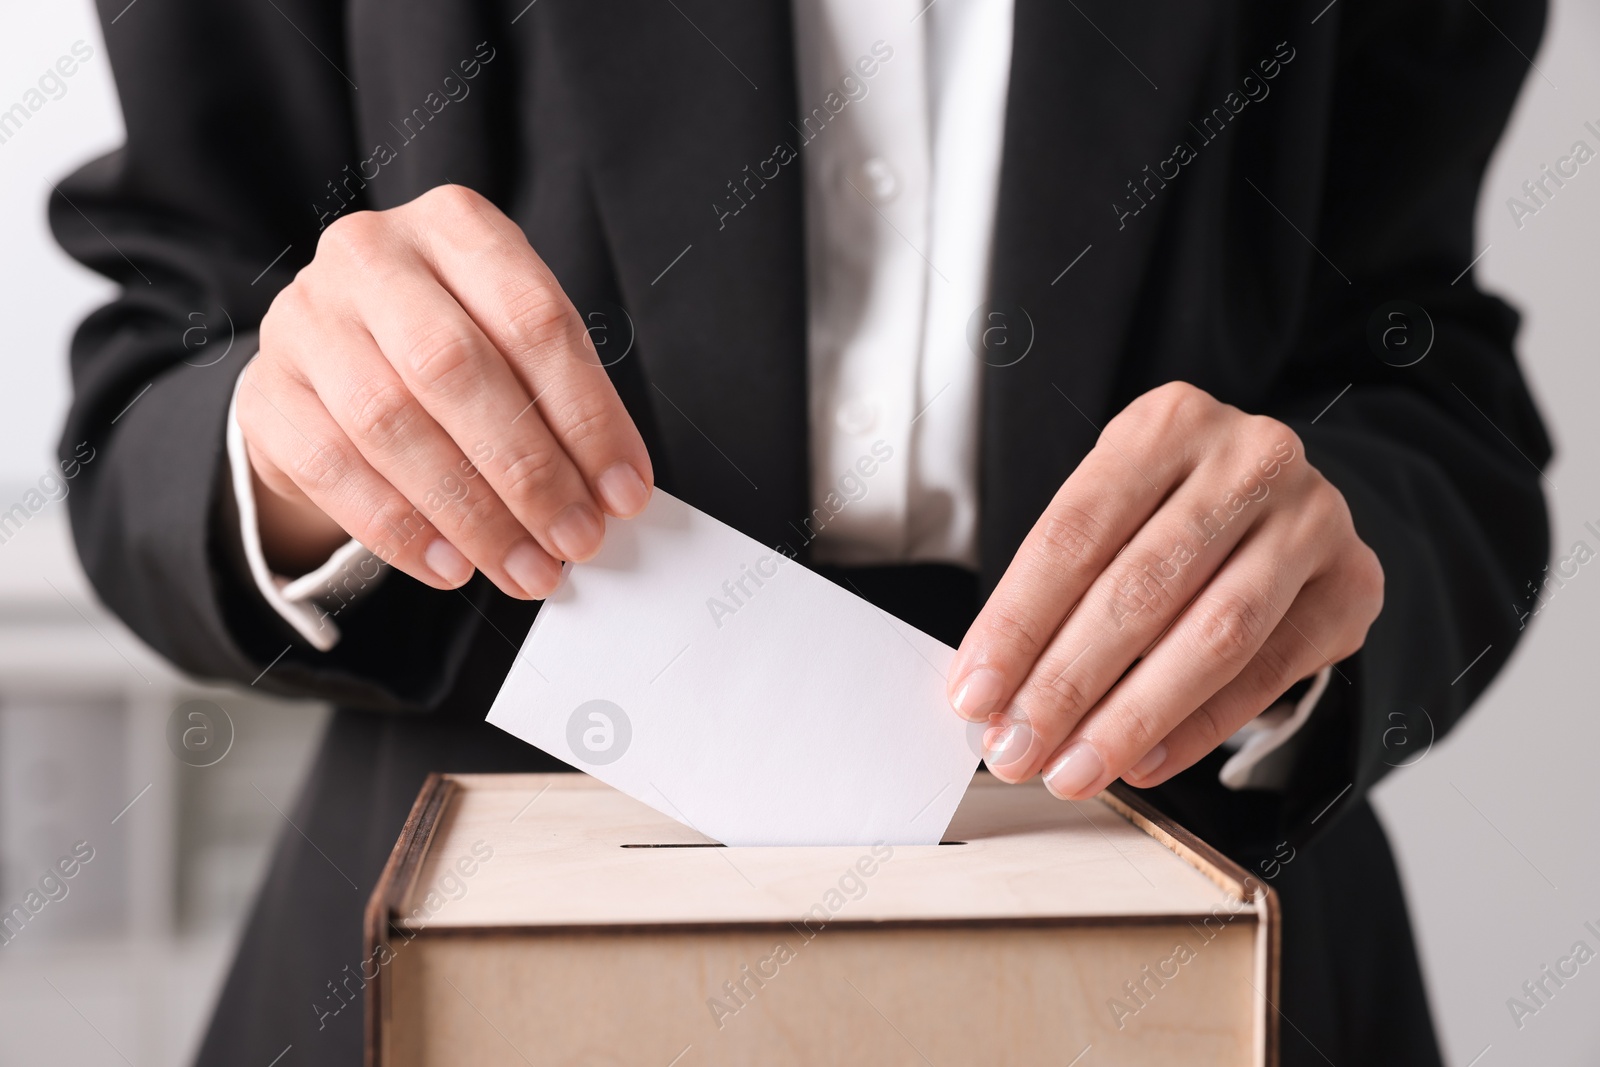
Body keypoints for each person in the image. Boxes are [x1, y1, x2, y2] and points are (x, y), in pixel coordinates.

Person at [52, 1, 1550, 1063]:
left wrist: (1319, 569)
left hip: (1183, 904)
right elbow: (155, 369)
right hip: (476, 930)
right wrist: (294, 449)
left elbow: (1428, 369)